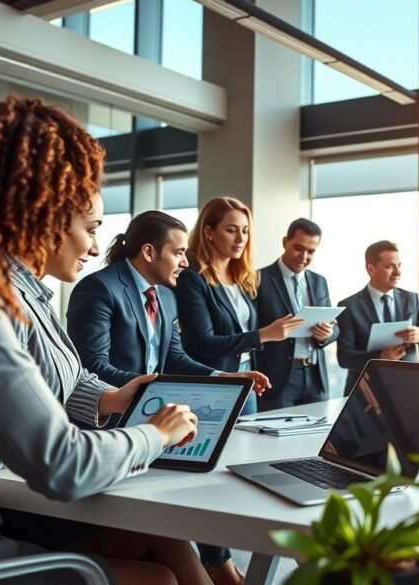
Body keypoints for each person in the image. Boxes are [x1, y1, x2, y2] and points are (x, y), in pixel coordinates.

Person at [0, 94, 198, 583]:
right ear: (40, 208)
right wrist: (156, 434)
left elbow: (70, 376)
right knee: (159, 579)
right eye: (91, 228)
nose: (98, 246)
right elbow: (64, 465)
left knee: (165, 540)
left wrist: (115, 396)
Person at [67, 209, 267, 585]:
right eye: (178, 253)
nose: (185, 262)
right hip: (107, 430)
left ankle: (218, 565)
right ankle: (220, 567)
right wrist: (161, 389)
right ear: (148, 252)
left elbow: (175, 357)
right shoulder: (99, 288)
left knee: (199, 488)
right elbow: (92, 368)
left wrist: (224, 376)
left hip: (154, 425)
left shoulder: (167, 297)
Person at [175, 197, 303, 415]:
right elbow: (203, 343)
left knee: (248, 445)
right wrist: (263, 334)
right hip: (214, 382)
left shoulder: (243, 279)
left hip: (247, 377)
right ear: (209, 232)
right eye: (231, 230)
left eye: (245, 231)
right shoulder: (192, 278)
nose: (240, 238)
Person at [336, 240, 419, 396]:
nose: (398, 273)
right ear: (371, 269)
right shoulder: (349, 306)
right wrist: (380, 357)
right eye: (390, 266)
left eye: (399, 266)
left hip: (409, 390)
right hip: (366, 393)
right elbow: (344, 357)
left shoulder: (411, 299)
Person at [255, 218, 339, 410]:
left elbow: (335, 328)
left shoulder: (319, 282)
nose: (304, 256)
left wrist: (326, 334)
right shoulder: (258, 279)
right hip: (277, 377)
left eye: (311, 251)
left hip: (315, 376)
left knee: (317, 437)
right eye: (298, 248)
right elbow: (251, 329)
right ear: (285, 242)